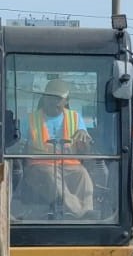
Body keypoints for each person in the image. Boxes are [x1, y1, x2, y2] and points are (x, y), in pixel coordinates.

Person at [22, 79, 95, 216]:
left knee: (83, 175)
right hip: (39, 166)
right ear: (43, 99)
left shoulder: (75, 118)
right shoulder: (30, 119)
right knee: (52, 176)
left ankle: (88, 212)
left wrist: (84, 136)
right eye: (50, 97)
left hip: (70, 165)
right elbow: (19, 145)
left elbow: (85, 150)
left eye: (58, 98)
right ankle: (78, 212)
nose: (53, 102)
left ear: (66, 101)